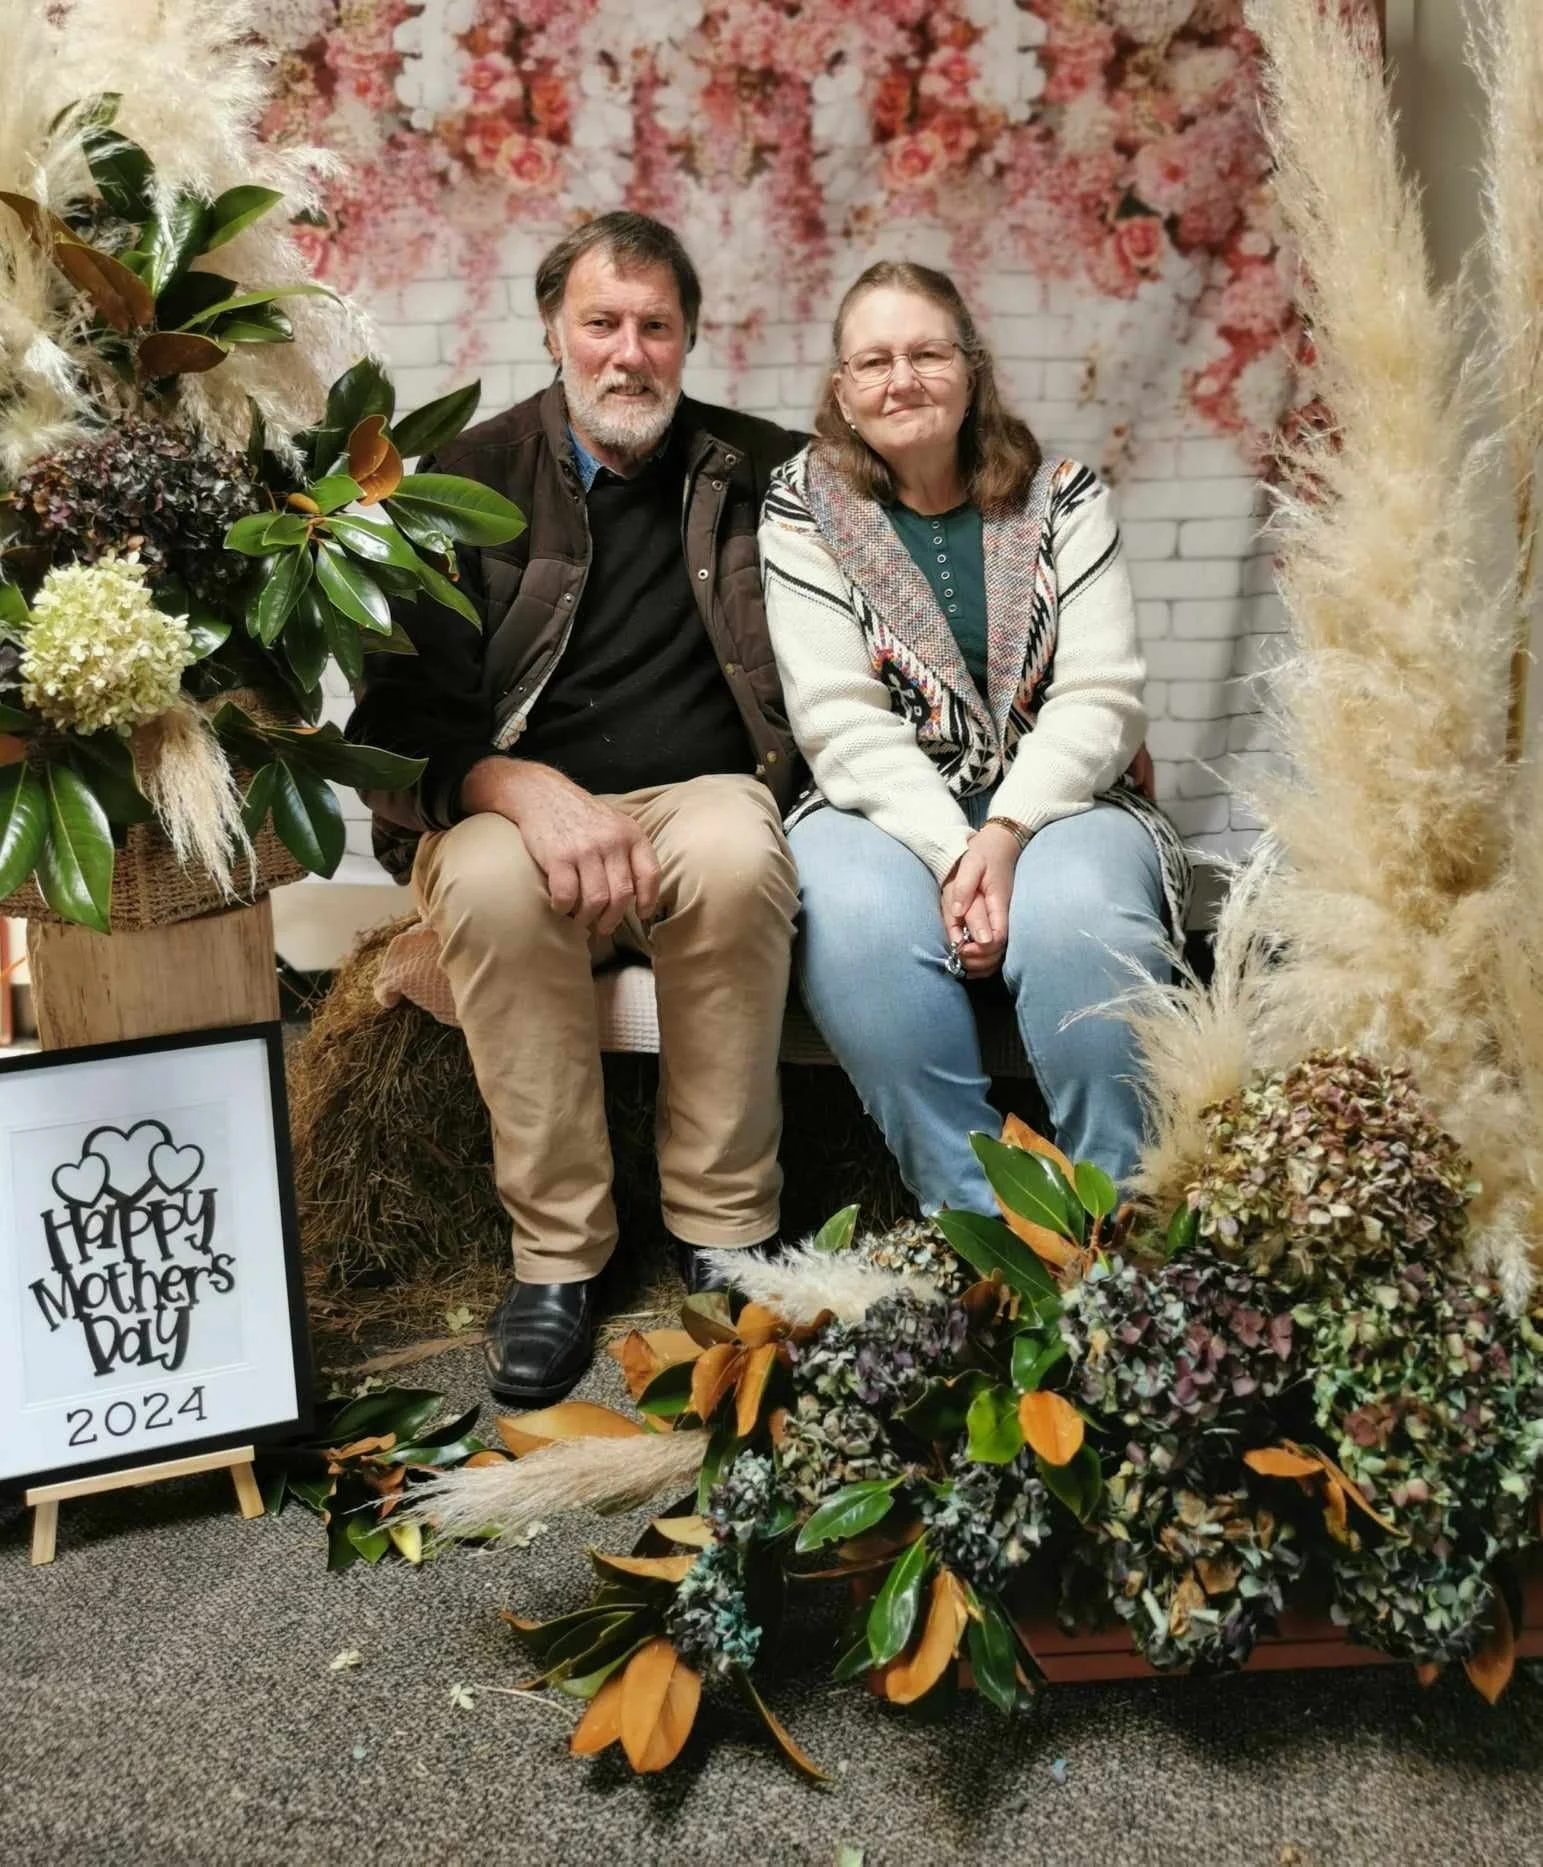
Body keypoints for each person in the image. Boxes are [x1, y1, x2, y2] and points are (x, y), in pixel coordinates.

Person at [348, 213, 804, 1404]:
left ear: (690, 338)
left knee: (737, 848)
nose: (628, 351)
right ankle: (556, 1260)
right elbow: (385, 740)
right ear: (553, 328)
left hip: (700, 792)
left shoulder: (761, 472)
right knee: (498, 884)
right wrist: (518, 786)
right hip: (510, 807)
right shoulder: (460, 488)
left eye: (656, 326)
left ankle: (726, 1230)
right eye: (601, 321)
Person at [758, 260, 1190, 1218]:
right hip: (876, 802)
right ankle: (982, 1224)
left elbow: (1100, 695)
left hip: (1065, 798)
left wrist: (1006, 834)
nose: (899, 379)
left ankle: (1115, 1220)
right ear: (840, 389)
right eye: (871, 361)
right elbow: (835, 717)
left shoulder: (1063, 497)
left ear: (972, 369)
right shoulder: (804, 509)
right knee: (856, 925)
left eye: (925, 353)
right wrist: (959, 851)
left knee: (1079, 912)